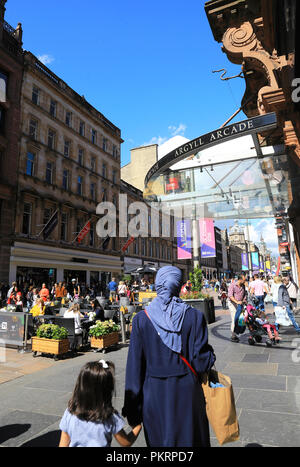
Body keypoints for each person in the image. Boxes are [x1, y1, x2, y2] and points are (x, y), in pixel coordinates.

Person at [122, 266, 216, 447]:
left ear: (158, 285)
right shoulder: (194, 317)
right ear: (178, 285)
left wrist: (132, 407)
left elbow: (134, 367)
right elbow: (200, 362)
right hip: (187, 393)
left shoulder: (141, 319)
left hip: (154, 394)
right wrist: (210, 356)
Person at [59, 360, 142, 447]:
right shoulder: (110, 417)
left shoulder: (70, 412)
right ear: (107, 391)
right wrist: (137, 427)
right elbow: (126, 443)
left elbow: (63, 444)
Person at [228, 276, 247, 342]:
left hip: (240, 304)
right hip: (233, 303)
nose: (245, 281)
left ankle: (238, 331)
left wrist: (244, 300)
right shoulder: (232, 285)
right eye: (244, 280)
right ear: (240, 280)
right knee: (234, 318)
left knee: (240, 318)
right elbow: (230, 296)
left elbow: (244, 294)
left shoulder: (243, 286)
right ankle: (233, 335)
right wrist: (237, 302)